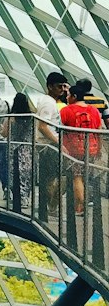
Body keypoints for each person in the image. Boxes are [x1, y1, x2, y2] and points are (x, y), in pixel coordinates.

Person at [61, 80, 103, 216]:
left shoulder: (67, 110)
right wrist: (99, 149)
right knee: (85, 177)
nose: (66, 98)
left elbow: (59, 129)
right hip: (91, 148)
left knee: (77, 177)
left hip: (74, 150)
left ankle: (80, 206)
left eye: (68, 95)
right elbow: (99, 130)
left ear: (73, 96)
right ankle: (83, 204)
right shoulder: (94, 111)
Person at [35, 70, 69, 221]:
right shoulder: (49, 103)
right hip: (48, 146)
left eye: (63, 86)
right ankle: (50, 206)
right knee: (56, 177)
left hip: (48, 145)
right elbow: (42, 126)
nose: (62, 89)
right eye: (59, 86)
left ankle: (48, 206)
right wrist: (59, 143)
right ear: (50, 87)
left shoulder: (48, 101)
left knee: (53, 177)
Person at [3, 93, 35, 212]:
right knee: (26, 173)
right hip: (27, 149)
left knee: (13, 172)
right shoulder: (31, 117)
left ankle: (16, 195)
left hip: (13, 148)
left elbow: (4, 133)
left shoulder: (11, 117)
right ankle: (25, 197)